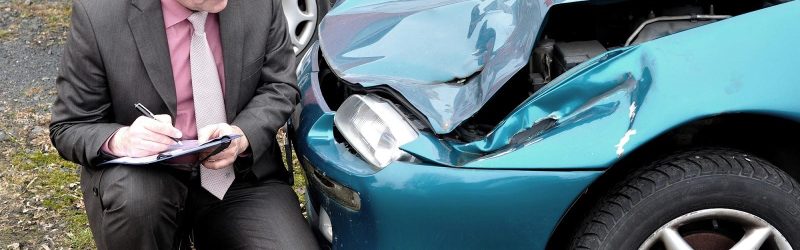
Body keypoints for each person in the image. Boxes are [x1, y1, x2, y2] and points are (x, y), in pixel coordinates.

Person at [48, 0, 318, 248]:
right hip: (145, 180)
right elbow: (70, 125)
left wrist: (243, 133)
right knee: (136, 201)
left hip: (239, 177)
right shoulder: (100, 14)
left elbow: (279, 85)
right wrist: (123, 140)